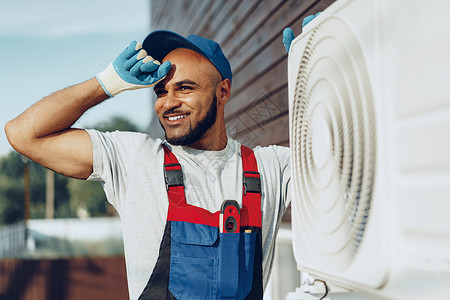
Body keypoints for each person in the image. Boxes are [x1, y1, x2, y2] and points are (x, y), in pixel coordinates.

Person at [5, 30, 291, 299]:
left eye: (185, 88)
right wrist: (106, 84)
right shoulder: (135, 159)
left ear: (223, 92)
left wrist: (320, 71)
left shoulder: (270, 169)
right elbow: (23, 134)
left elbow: (335, 164)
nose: (168, 103)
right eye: (161, 92)